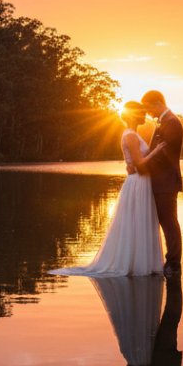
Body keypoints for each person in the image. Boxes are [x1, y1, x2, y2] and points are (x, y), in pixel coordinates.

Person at [50, 102, 165, 276]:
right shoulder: (130, 136)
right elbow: (140, 165)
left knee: (139, 223)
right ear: (133, 115)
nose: (145, 115)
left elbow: (137, 162)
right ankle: (135, 265)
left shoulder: (133, 135)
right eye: (141, 112)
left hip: (141, 183)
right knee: (135, 223)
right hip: (138, 183)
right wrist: (157, 151)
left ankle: (141, 263)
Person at [140, 91, 183, 277]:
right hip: (158, 182)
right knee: (162, 222)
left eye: (149, 108)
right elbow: (155, 151)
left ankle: (173, 264)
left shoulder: (172, 123)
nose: (148, 113)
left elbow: (165, 155)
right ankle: (165, 262)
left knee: (169, 223)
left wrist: (141, 165)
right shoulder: (163, 122)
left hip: (166, 182)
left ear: (158, 103)